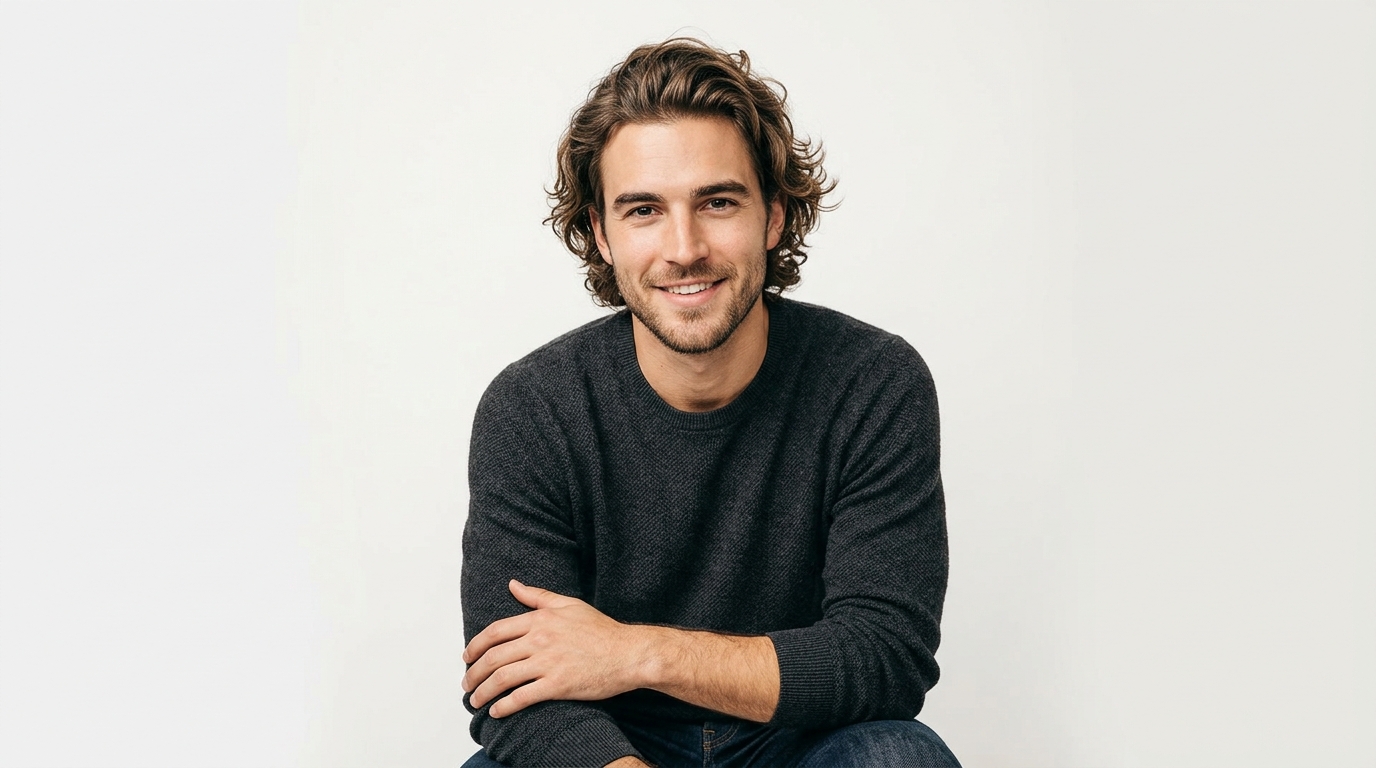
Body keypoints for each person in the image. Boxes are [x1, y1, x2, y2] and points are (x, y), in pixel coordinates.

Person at [460, 38, 960, 768]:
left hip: (802, 741)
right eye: (643, 211)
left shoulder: (872, 382)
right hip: (612, 745)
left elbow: (885, 657)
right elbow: (511, 690)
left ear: (774, 217)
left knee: (897, 758)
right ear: (601, 234)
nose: (684, 246)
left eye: (717, 202)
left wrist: (638, 653)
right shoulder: (532, 409)